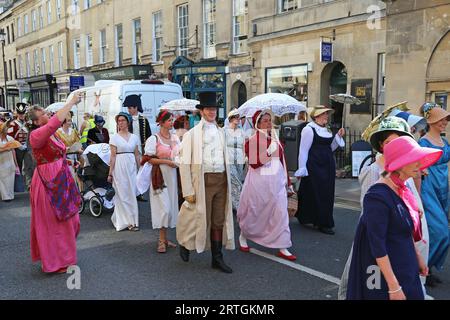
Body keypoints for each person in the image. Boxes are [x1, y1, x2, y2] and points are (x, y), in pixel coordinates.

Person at [339, 116, 433, 299]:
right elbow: (377, 241)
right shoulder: (378, 192)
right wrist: (393, 287)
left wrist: (417, 257)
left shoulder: (402, 186)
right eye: (413, 159)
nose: (419, 164)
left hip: (403, 259)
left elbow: (404, 229)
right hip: (384, 262)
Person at [177, 91, 235, 273]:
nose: (212, 112)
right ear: (202, 111)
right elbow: (184, 163)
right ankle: (185, 244)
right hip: (202, 181)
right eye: (208, 109)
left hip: (221, 181)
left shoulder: (222, 132)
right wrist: (188, 189)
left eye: (214, 109)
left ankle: (217, 258)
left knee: (218, 220)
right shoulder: (191, 135)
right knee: (197, 218)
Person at [27, 94, 83, 273]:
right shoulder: (36, 135)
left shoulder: (53, 135)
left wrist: (71, 163)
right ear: (36, 122)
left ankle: (64, 257)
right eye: (43, 113)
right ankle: (54, 261)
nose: (47, 113)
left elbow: (59, 154)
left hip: (61, 178)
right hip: (47, 182)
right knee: (53, 223)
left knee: (70, 219)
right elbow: (53, 124)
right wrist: (70, 102)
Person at [237, 109, 296, 261]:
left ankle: (283, 245)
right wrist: (269, 152)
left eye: (270, 120)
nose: (269, 123)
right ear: (258, 124)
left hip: (276, 182)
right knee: (255, 212)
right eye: (265, 121)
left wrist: (288, 182)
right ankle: (244, 235)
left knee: (280, 212)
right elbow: (254, 163)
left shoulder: (275, 139)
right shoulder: (252, 140)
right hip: (259, 183)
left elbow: (283, 162)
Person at [294, 105, 345, 235]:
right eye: (324, 114)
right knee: (315, 192)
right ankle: (322, 223)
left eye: (327, 114)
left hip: (327, 165)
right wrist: (302, 168)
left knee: (326, 193)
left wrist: (337, 137)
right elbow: (303, 150)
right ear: (316, 116)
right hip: (314, 165)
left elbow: (331, 148)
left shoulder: (327, 130)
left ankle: (318, 219)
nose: (326, 116)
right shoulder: (308, 129)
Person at [418, 103, 450, 287]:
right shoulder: (422, 143)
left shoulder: (444, 142)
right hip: (429, 188)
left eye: (446, 119)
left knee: (435, 232)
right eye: (441, 119)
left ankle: (427, 268)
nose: (445, 122)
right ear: (432, 121)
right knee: (441, 232)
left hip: (443, 189)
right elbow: (416, 167)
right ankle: (421, 267)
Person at [143, 110, 180, 253]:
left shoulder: (175, 138)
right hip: (159, 175)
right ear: (162, 122)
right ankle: (160, 240)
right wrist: (166, 161)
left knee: (170, 207)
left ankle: (165, 238)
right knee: (163, 208)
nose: (172, 122)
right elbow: (149, 159)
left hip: (172, 174)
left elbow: (179, 154)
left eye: (172, 120)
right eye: (169, 120)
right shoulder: (154, 139)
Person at [108, 112, 140, 232]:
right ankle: (126, 222)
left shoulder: (134, 137)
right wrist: (110, 173)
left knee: (131, 193)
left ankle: (133, 221)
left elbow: (137, 155)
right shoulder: (114, 137)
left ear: (128, 122)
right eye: (119, 121)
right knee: (122, 194)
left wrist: (140, 170)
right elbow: (113, 156)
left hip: (131, 167)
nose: (120, 123)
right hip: (119, 167)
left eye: (122, 120)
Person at [124, 94, 151, 202]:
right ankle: (131, 192)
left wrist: (147, 151)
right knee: (131, 172)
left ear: (136, 107)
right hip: (129, 150)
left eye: (130, 108)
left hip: (140, 149)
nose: (129, 110)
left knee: (140, 173)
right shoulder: (126, 120)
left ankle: (139, 193)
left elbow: (148, 136)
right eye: (128, 108)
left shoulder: (143, 120)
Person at [7, 103, 32, 190]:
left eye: (23, 113)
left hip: (27, 147)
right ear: (17, 113)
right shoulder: (12, 124)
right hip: (18, 148)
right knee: (18, 166)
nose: (22, 115)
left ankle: (29, 184)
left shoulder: (29, 123)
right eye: (20, 113)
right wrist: (18, 145)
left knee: (29, 166)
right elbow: (9, 138)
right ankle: (19, 187)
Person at [224, 109, 245, 213]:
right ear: (230, 118)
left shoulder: (241, 132)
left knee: (238, 182)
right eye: (235, 117)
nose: (237, 119)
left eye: (238, 117)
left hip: (240, 161)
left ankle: (233, 204)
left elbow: (244, 146)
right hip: (229, 160)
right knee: (236, 182)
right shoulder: (224, 131)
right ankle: (238, 207)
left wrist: (245, 158)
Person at [0, 121, 20, 202]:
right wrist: (4, 149)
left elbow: (13, 151)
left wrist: (16, 164)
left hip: (10, 160)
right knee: (2, 179)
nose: (6, 131)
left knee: (10, 179)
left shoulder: (10, 139)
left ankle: (10, 195)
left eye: (6, 130)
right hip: (1, 161)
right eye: (4, 130)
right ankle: (5, 196)